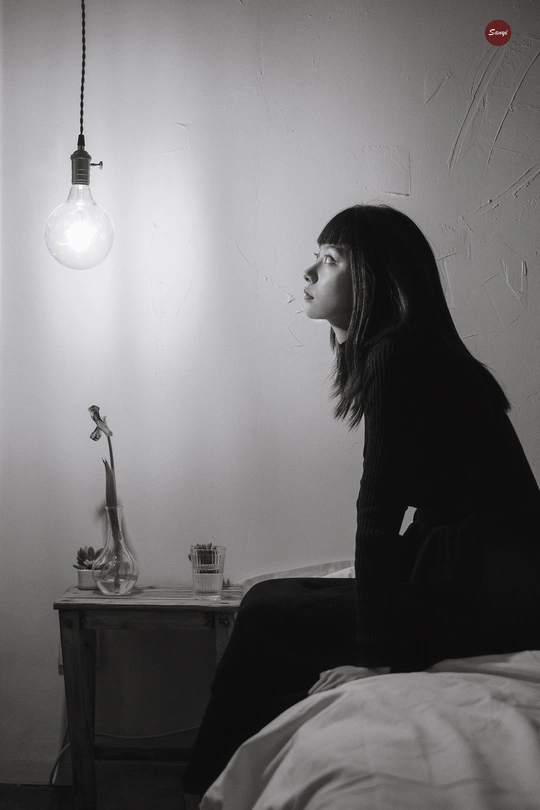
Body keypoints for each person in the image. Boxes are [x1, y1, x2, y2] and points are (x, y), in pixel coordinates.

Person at [182, 204, 540, 799]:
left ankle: (206, 790)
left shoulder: (398, 354)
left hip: (490, 593)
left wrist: (377, 657)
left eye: (328, 260)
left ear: (375, 275)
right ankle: (225, 783)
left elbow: (377, 516)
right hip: (481, 577)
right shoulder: (412, 349)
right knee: (266, 598)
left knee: (268, 617)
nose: (308, 273)